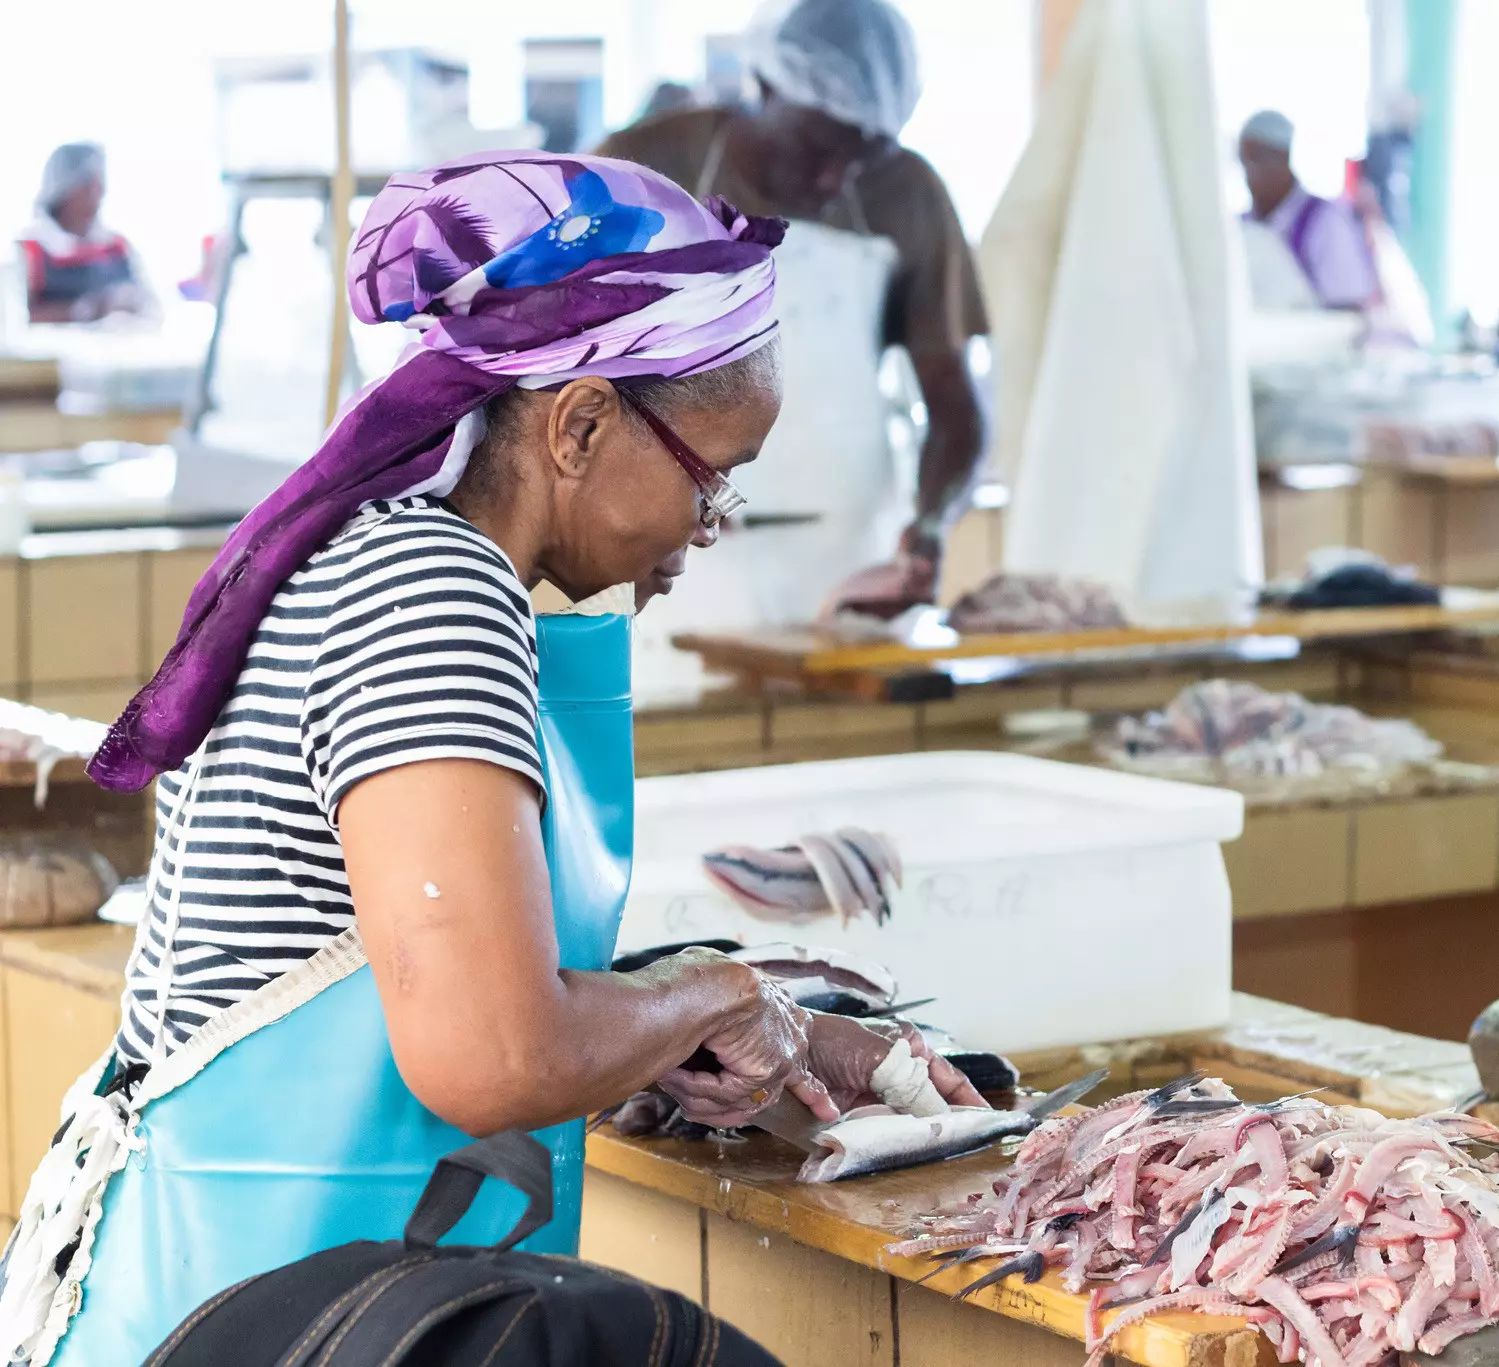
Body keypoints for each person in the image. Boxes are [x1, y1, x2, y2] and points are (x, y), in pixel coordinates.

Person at [0, 151, 982, 1367]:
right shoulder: (430, 588)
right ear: (576, 425)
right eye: (712, 477)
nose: (706, 528)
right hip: (250, 1315)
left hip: (285, 1300)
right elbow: (494, 1052)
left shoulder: (398, 559)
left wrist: (707, 1024)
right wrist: (725, 996)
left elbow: (419, 954)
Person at [597, 0, 986, 631]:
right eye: (817, 145)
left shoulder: (910, 194)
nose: (835, 178)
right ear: (767, 84)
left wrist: (932, 524)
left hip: (845, 567)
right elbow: (559, 373)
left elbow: (955, 409)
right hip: (665, 562)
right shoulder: (645, 166)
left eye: (864, 157)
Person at [1238, 110, 1378, 311]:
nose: (1249, 173)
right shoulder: (1244, 227)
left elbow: (1350, 307)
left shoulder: (1323, 221)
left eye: (1256, 160)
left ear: (1283, 158)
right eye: (1243, 160)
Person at [17, 142, 153, 323]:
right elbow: (17, 319)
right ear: (63, 188)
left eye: (100, 184)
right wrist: (85, 309)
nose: (99, 194)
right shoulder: (29, 249)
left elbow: (151, 306)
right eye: (87, 185)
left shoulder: (117, 247)